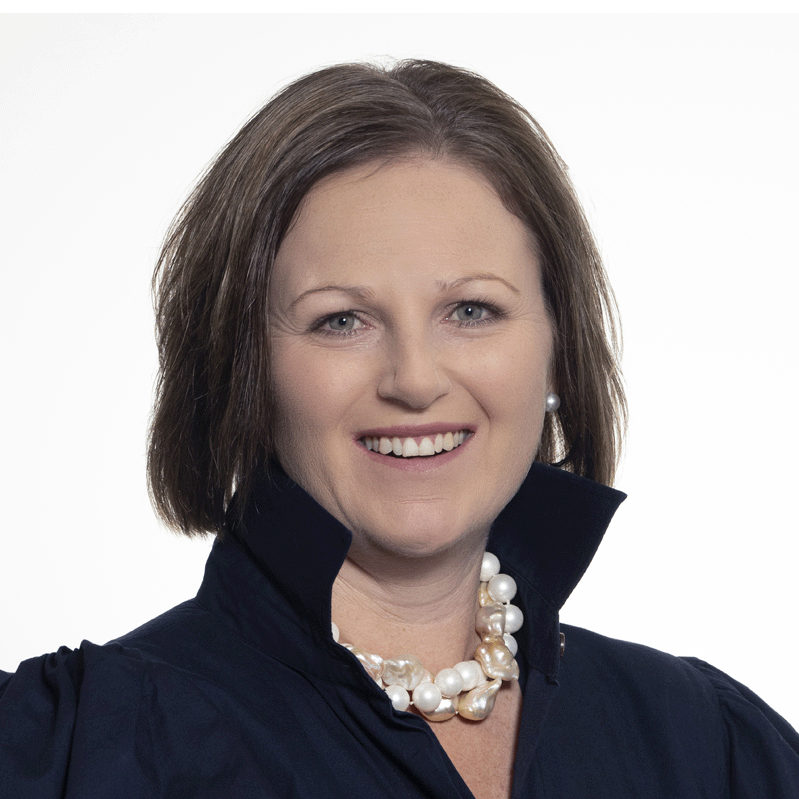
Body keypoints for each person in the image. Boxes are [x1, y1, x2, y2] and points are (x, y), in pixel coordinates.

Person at [1, 59, 797, 798]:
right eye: (340, 319)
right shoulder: (81, 750)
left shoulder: (707, 745)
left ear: (557, 351)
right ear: (244, 369)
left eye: (471, 310)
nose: (413, 379)